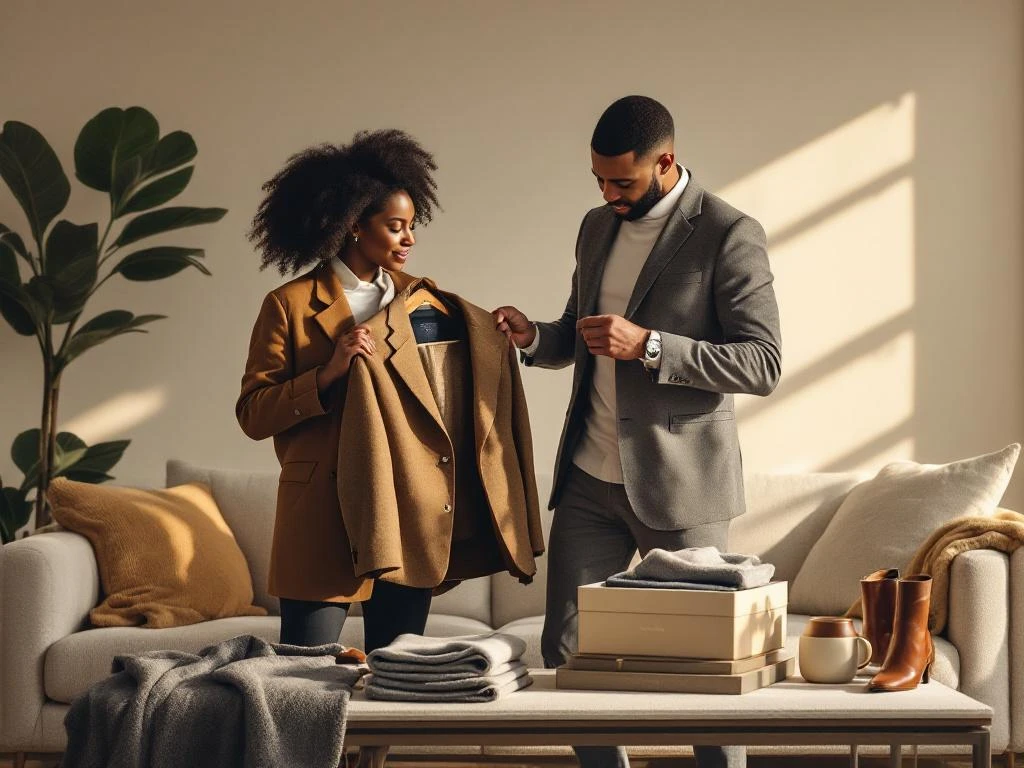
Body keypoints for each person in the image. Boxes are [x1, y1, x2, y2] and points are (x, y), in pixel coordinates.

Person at [492, 96, 782, 768]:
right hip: (590, 479)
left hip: (680, 486)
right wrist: (537, 338)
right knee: (565, 652)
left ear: (666, 162)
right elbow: (582, 334)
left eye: (622, 181)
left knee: (705, 673)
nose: (608, 194)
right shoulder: (597, 227)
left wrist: (652, 346)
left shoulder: (728, 232)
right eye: (598, 180)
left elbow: (761, 363)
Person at [237, 128, 440, 652]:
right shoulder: (289, 304)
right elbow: (254, 415)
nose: (409, 239)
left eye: (411, 226)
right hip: (319, 515)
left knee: (398, 677)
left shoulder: (422, 301)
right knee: (301, 680)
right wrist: (326, 374)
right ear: (354, 226)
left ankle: (374, 744)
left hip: (403, 508)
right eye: (396, 227)